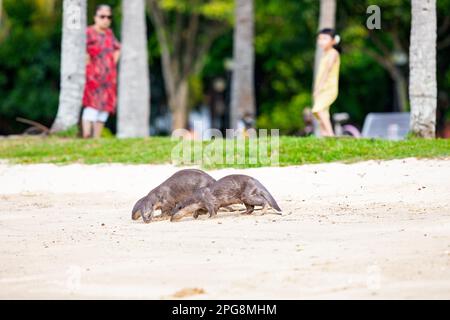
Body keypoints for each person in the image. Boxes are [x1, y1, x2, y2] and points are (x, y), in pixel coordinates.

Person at [81, 4, 120, 138]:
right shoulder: (88, 32)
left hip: (108, 79)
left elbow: (117, 48)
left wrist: (111, 64)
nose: (106, 20)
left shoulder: (109, 34)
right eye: (102, 16)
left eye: (109, 17)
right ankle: (87, 135)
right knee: (91, 106)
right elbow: (82, 50)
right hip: (93, 77)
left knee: (104, 108)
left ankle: (96, 138)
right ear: (95, 17)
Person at [312, 28, 341, 137]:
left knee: (318, 110)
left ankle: (330, 134)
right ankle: (325, 135)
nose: (321, 41)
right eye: (320, 39)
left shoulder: (333, 53)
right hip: (322, 88)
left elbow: (326, 72)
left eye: (325, 38)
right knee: (323, 112)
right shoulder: (324, 54)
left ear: (333, 41)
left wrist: (319, 87)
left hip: (329, 88)